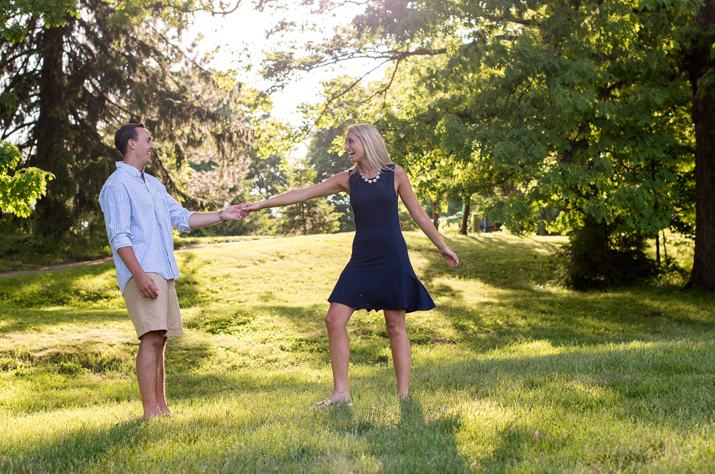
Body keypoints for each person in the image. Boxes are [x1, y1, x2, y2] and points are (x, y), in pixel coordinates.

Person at [243, 123, 458, 407]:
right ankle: (341, 394)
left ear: (367, 142)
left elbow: (418, 214)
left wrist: (442, 247)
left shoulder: (395, 173)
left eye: (350, 142)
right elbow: (304, 193)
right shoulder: (347, 179)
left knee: (395, 325)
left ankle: (403, 395)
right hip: (362, 258)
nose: (346, 148)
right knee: (334, 319)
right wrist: (261, 204)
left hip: (392, 255)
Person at [99, 123, 247, 419]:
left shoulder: (154, 185)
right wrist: (139, 275)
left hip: (164, 269)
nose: (153, 145)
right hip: (142, 269)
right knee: (151, 336)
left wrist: (223, 214)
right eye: (148, 139)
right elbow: (119, 237)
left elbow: (181, 218)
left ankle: (161, 408)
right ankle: (150, 412)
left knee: (160, 338)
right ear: (132, 144)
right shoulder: (116, 185)